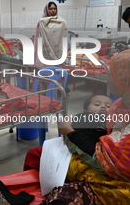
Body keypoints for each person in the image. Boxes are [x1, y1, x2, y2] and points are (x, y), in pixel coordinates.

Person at [45, 50, 130, 205]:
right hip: (95, 152)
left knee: (66, 190)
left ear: (126, 78)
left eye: (114, 75)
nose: (109, 79)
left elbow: (103, 160)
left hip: (118, 179)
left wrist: (70, 134)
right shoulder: (121, 105)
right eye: (97, 105)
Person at [23, 94, 112, 171]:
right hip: (72, 147)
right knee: (33, 153)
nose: (103, 107)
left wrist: (68, 131)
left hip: (91, 153)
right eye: (97, 104)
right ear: (85, 110)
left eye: (108, 106)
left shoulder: (113, 123)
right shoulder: (82, 117)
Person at [34, 1, 68, 69]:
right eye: (50, 9)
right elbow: (39, 38)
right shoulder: (42, 22)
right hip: (46, 50)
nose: (53, 10)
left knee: (56, 72)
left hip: (58, 50)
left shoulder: (62, 22)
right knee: (46, 72)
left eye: (54, 8)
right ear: (47, 10)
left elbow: (64, 37)